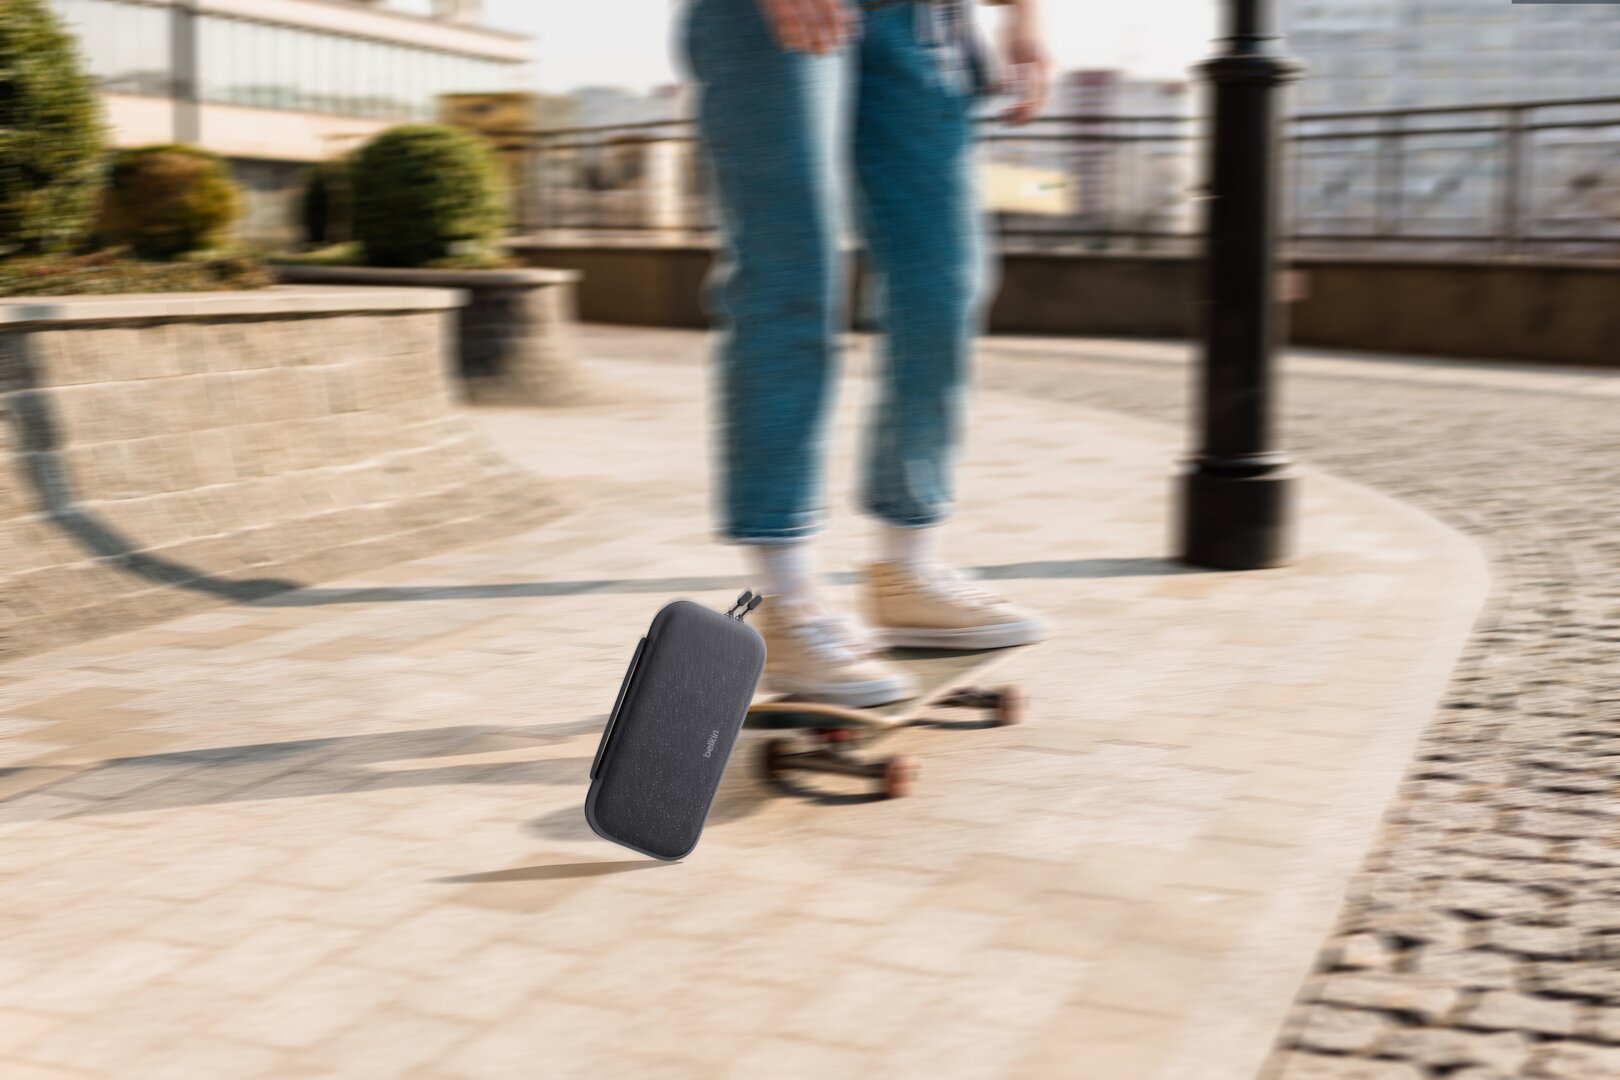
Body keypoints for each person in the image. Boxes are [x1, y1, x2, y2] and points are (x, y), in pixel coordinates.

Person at [682, 0, 1054, 705]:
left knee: (943, 285)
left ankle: (906, 567)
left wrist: (1026, 15)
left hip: (921, 20)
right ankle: (783, 598)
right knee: (790, 277)